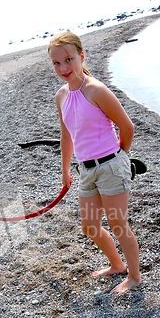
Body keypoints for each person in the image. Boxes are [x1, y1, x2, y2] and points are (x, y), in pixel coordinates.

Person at [48, 31, 142, 295]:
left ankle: (134, 276)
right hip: (86, 170)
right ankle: (117, 265)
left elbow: (127, 127)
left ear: (81, 56)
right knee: (90, 226)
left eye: (68, 59)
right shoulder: (61, 96)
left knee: (117, 224)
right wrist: (66, 170)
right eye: (57, 63)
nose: (63, 68)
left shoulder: (96, 90)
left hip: (111, 166)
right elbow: (67, 135)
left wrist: (120, 157)